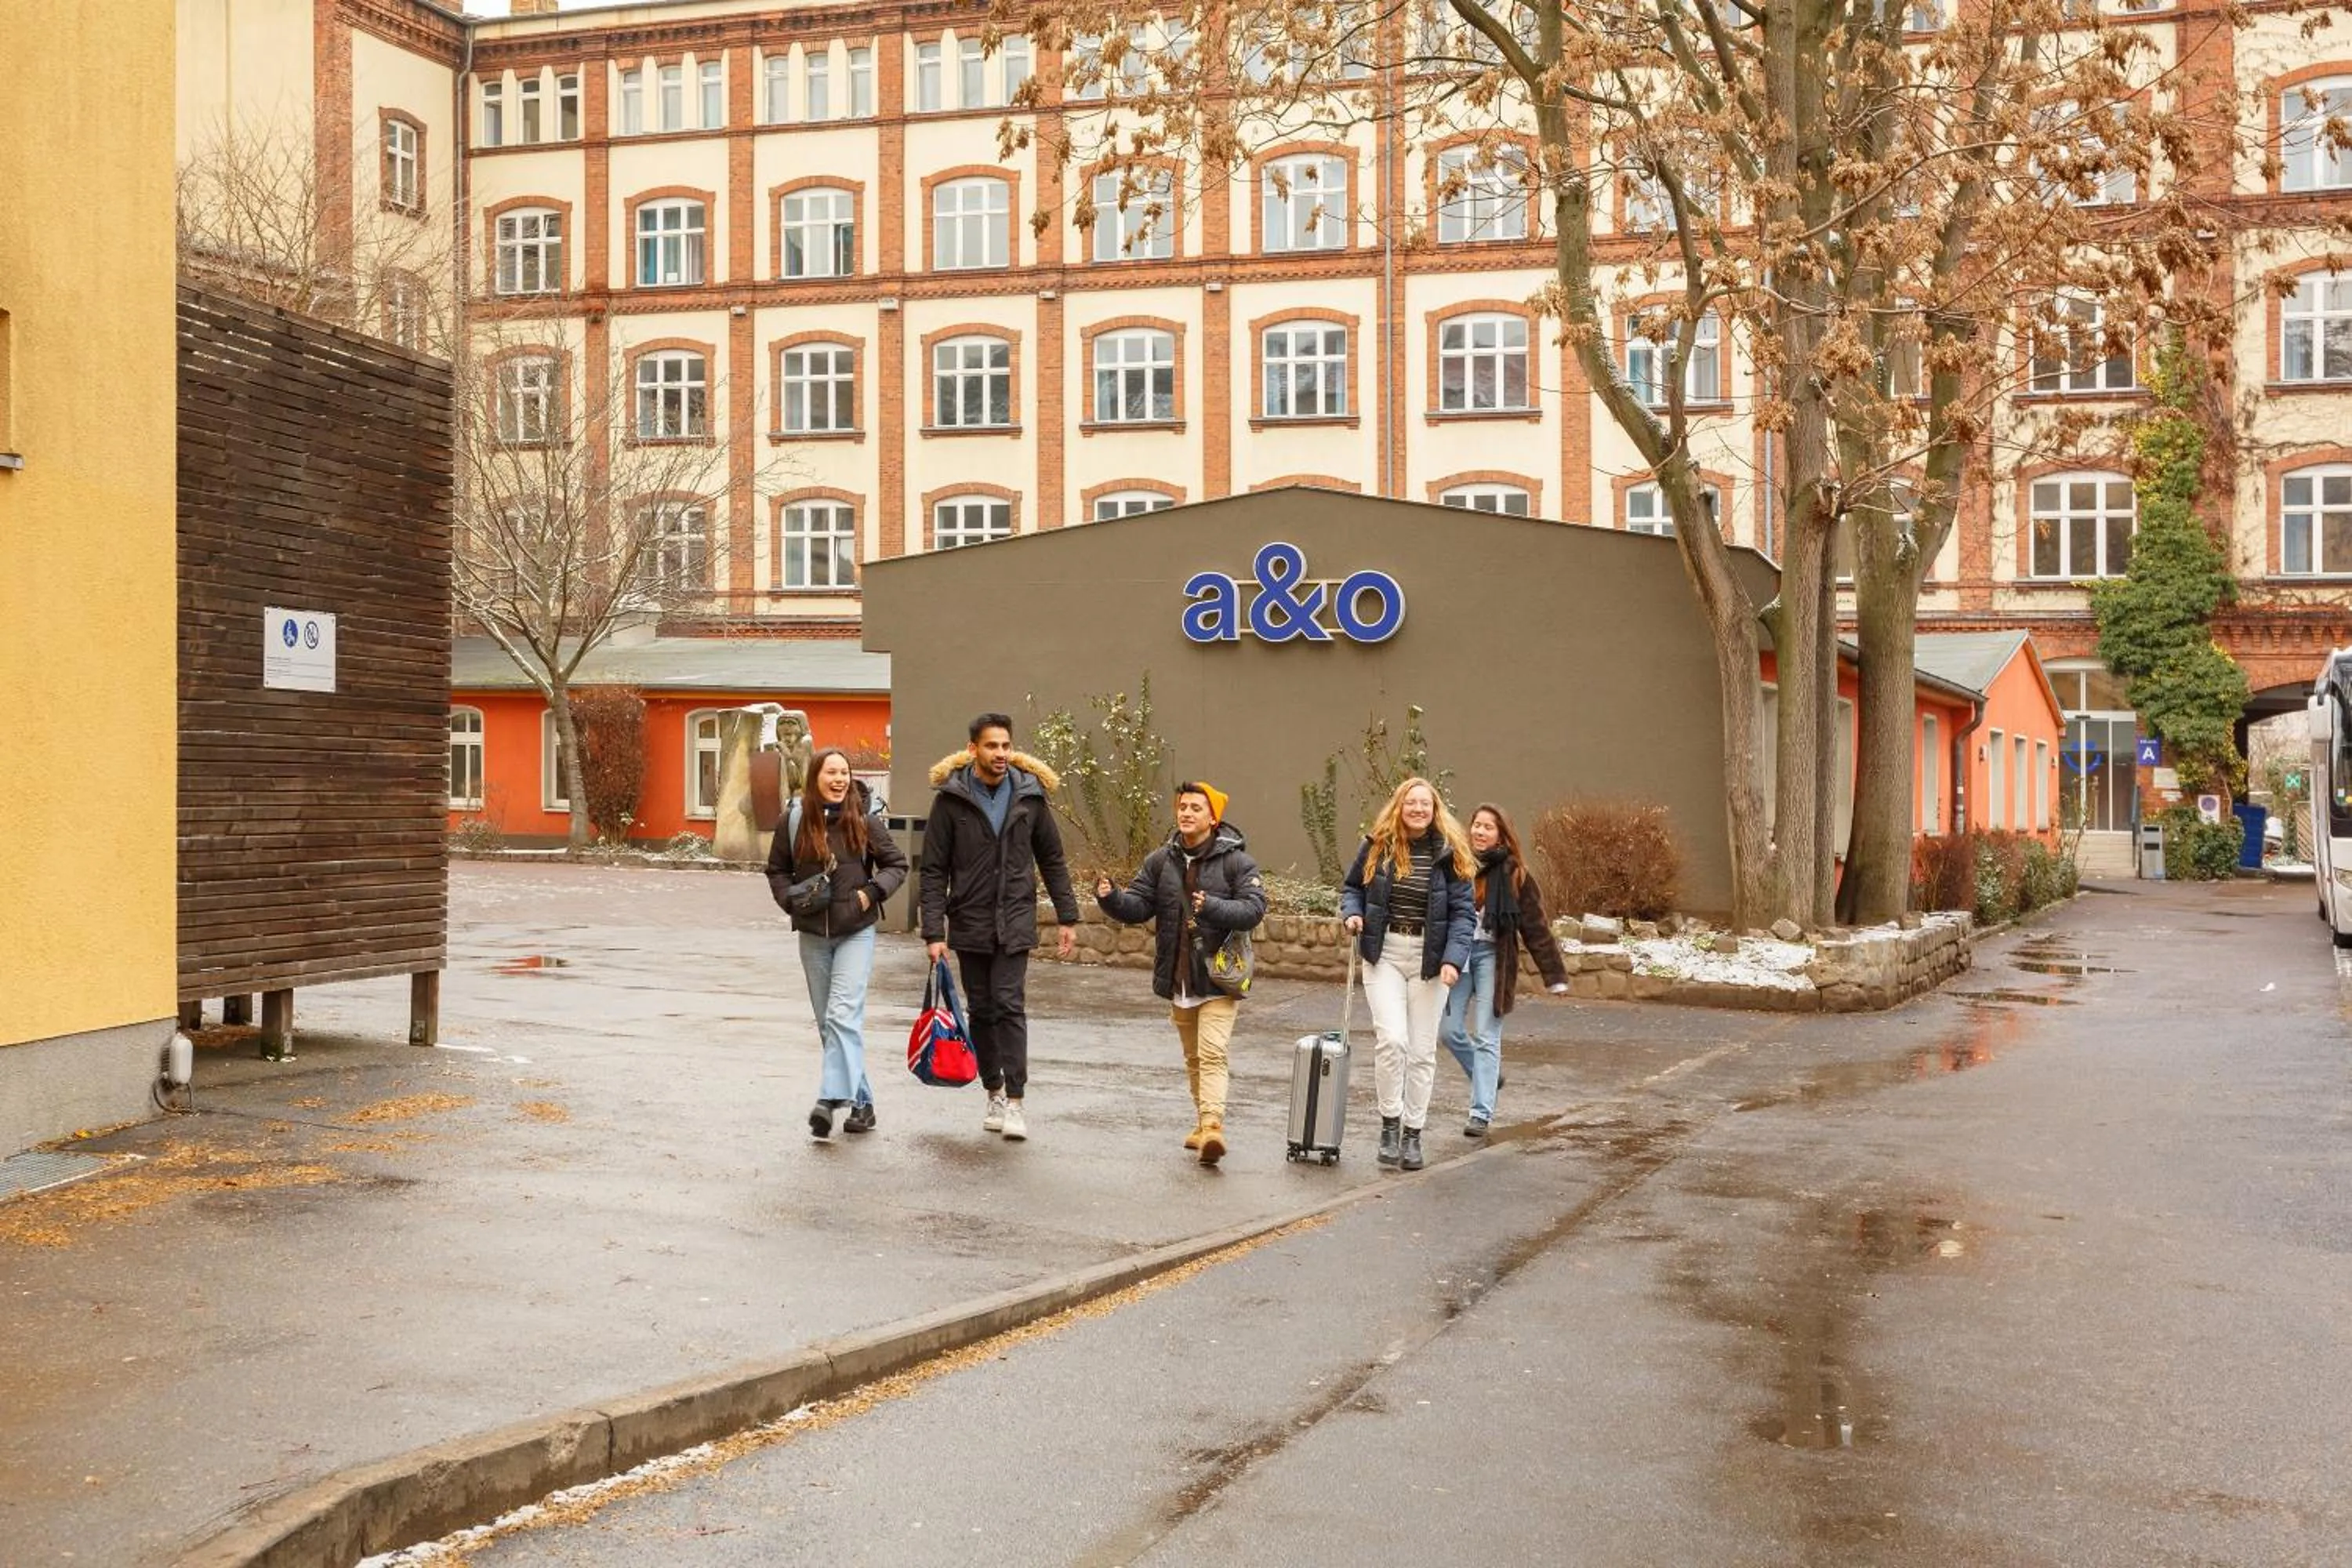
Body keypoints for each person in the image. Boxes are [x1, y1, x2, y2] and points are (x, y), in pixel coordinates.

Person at [922, 713, 1080, 1142]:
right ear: (973, 749)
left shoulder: (1029, 797)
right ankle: (991, 1089)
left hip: (1014, 918)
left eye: (1006, 746)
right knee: (983, 1009)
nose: (1001, 754)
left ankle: (1015, 1100)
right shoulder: (951, 801)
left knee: (1010, 1003)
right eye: (992, 746)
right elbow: (934, 870)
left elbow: (1052, 859)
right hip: (970, 920)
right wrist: (934, 932)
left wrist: (1068, 917)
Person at [1094, 782, 1268, 1167]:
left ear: (1213, 817)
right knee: (1193, 1057)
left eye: (1195, 808)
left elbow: (1254, 909)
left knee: (1212, 1052)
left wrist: (1213, 908)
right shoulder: (1162, 860)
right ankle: (1201, 1124)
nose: (1187, 813)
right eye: (1182, 807)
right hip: (1179, 976)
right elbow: (1139, 906)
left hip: (1219, 977)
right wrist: (1110, 897)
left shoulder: (1237, 862)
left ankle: (1213, 1126)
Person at [765, 747, 909, 1142]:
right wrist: (789, 899)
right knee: (831, 1025)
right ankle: (862, 1102)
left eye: (844, 772)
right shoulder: (793, 820)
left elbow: (898, 865)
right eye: (831, 772)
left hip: (855, 931)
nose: (840, 779)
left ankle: (829, 1101)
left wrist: (871, 893)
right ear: (816, 778)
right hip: (812, 934)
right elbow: (776, 870)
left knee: (842, 1015)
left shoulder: (863, 819)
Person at [1341, 777, 1475, 1172]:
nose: (1418, 810)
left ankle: (1413, 1133)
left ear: (1435, 811)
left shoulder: (1451, 854)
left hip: (1430, 961)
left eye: (1425, 804)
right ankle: (1390, 1123)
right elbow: (1352, 888)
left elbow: (1464, 914)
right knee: (1392, 1041)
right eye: (1411, 803)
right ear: (1399, 807)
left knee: (1421, 1051)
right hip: (1385, 954)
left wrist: (1453, 959)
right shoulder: (1378, 846)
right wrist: (1352, 913)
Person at [1440, 804, 1570, 1138]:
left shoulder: (1516, 874)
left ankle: (1480, 1112)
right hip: (1458, 957)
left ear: (1502, 835)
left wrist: (1554, 976)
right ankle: (1489, 1076)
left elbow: (1536, 928)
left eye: (1488, 827)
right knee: (1449, 1030)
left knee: (1487, 1035)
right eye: (1477, 825)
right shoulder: (1457, 865)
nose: (1480, 832)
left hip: (1493, 960)